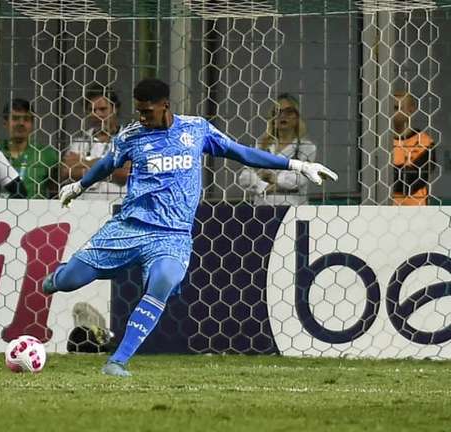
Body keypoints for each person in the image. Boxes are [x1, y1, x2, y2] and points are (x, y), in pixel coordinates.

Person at [40, 78, 337, 377]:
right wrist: (79, 185)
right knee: (67, 282)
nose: (143, 117)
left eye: (148, 111)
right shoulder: (132, 135)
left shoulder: (196, 130)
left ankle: (117, 361)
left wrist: (297, 166)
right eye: (140, 111)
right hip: (129, 226)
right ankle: (59, 275)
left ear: (165, 105)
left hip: (172, 236)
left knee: (163, 282)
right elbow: (108, 164)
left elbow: (242, 152)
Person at [238, 93, 317, 205]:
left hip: (292, 209)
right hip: (262, 208)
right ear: (273, 119)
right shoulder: (261, 145)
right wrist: (265, 187)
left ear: (297, 117)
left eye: (288, 112)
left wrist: (273, 178)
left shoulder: (306, 147)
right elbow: (245, 177)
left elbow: (299, 179)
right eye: (277, 112)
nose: (282, 116)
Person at [60, 84, 130, 202]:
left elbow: (124, 174)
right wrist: (110, 167)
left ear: (115, 109)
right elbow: (67, 172)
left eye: (102, 109)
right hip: (83, 207)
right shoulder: (79, 142)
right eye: (91, 110)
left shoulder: (128, 140)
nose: (96, 114)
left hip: (118, 207)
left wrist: (83, 162)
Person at [0, 98, 59, 199]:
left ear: (32, 124)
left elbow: (56, 190)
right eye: (15, 118)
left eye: (26, 119)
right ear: (5, 123)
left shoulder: (46, 154)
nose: (21, 123)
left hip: (35, 213)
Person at [392, 91, 436, 205]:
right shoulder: (380, 141)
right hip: (384, 210)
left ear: (411, 110)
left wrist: (392, 171)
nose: (392, 113)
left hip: (416, 211)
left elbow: (414, 181)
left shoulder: (425, 142)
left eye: (397, 108)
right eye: (391, 108)